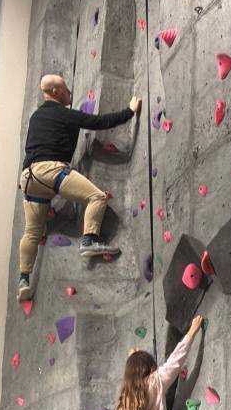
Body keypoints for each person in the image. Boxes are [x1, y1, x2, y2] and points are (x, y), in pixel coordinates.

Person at [17, 74, 142, 302]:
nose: (69, 92)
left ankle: (24, 279)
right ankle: (90, 240)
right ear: (55, 92)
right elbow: (99, 123)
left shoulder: (36, 117)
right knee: (97, 197)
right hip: (50, 171)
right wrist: (130, 111)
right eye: (64, 88)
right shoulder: (65, 115)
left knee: (32, 232)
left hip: (28, 178)